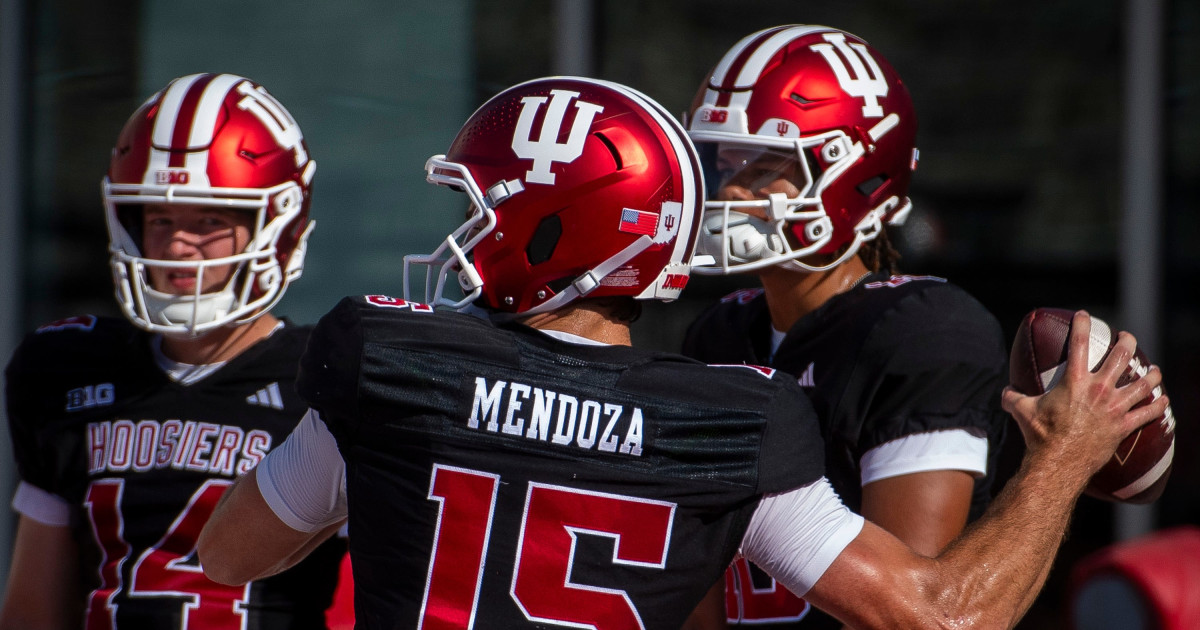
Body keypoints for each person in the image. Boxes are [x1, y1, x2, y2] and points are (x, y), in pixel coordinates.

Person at [194, 76, 1167, 630]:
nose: (466, 236)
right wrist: (1063, 459)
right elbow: (941, 616)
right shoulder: (734, 415)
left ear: (551, 230)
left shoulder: (390, 365)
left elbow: (228, 554)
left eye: (484, 210)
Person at [678, 24, 1010, 627]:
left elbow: (909, 615)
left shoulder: (922, 333)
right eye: (722, 162)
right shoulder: (719, 334)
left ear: (858, 175)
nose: (730, 190)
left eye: (763, 165)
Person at [0, 73, 350, 629]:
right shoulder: (69, 367)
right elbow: (33, 610)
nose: (179, 244)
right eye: (159, 218)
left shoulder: (326, 379)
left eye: (209, 219)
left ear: (278, 227)